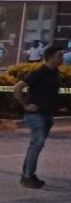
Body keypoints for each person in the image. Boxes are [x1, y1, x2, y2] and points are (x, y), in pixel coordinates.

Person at [12, 46, 63, 189]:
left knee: (36, 145)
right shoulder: (38, 73)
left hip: (47, 114)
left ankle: (28, 174)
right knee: (37, 143)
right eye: (59, 56)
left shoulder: (55, 73)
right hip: (36, 115)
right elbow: (17, 88)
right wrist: (26, 105)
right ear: (51, 57)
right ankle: (28, 176)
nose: (62, 59)